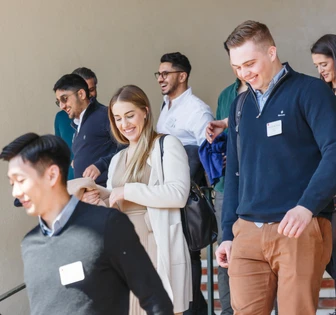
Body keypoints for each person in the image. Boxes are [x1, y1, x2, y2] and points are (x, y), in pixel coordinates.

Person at [215, 20, 336, 315]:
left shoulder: (310, 91)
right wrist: (227, 234)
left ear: (271, 52)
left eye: (249, 63)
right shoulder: (239, 105)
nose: (244, 73)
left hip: (297, 229)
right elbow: (233, 173)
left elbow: (334, 150)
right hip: (246, 233)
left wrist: (307, 206)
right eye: (237, 67)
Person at [0, 132, 174, 315]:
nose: (16, 192)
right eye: (12, 183)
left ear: (51, 175)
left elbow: (155, 300)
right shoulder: (29, 244)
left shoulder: (108, 225)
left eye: (20, 180)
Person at [82, 85, 192, 315]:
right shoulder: (118, 158)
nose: (124, 124)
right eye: (118, 118)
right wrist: (99, 198)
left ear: (145, 111)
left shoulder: (165, 145)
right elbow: (116, 201)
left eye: (130, 115)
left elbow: (178, 194)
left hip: (156, 243)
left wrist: (127, 191)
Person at [155, 52, 214, 315]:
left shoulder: (197, 110)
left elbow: (208, 153)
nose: (160, 79)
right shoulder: (164, 106)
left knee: (188, 254)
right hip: (165, 191)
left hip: (187, 195)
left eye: (165, 73)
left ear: (182, 75)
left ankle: (193, 310)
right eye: (158, 74)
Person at [206, 64, 247, 314]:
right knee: (225, 247)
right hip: (226, 185)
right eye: (236, 63)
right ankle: (228, 310)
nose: (241, 68)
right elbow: (222, 139)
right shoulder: (225, 95)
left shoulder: (266, 92)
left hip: (256, 183)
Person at [53, 73, 119, 187]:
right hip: (88, 193)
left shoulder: (104, 115)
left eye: (65, 99)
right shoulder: (78, 123)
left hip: (106, 193)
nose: (62, 106)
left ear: (81, 94)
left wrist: (101, 165)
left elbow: (127, 148)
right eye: (58, 101)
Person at [54, 67, 99, 180]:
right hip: (71, 184)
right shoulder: (60, 118)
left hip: (98, 185)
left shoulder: (106, 115)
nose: (87, 95)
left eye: (91, 89)